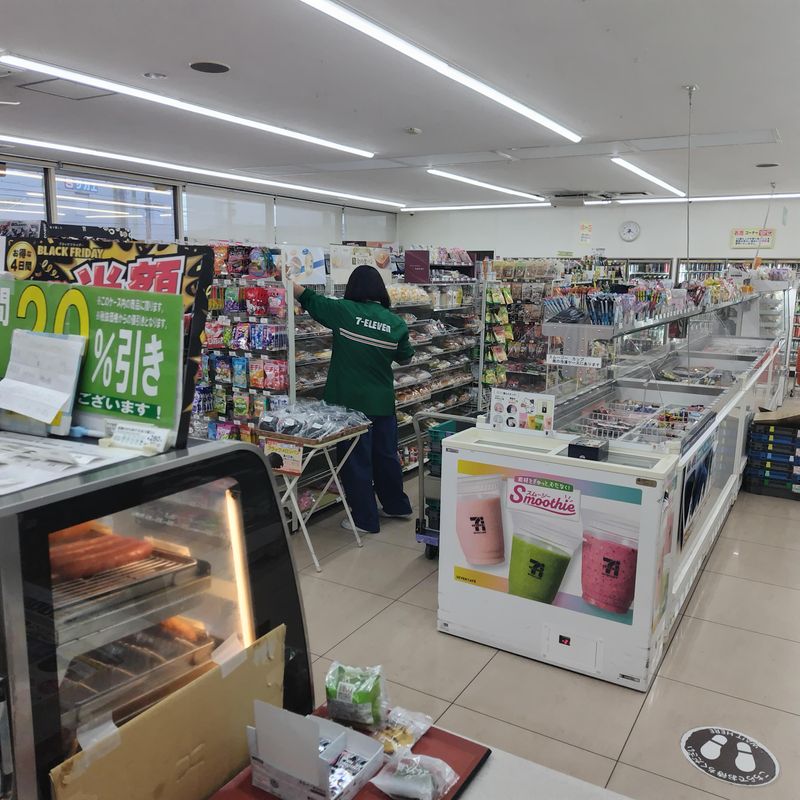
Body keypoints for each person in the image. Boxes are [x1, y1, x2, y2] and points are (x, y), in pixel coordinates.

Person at [289, 265, 414, 534]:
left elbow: (306, 296)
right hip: (382, 402)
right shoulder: (395, 323)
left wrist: (281, 275)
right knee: (386, 457)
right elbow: (406, 358)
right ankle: (397, 506)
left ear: (352, 287)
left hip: (349, 405)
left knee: (356, 462)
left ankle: (365, 520)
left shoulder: (343, 311)